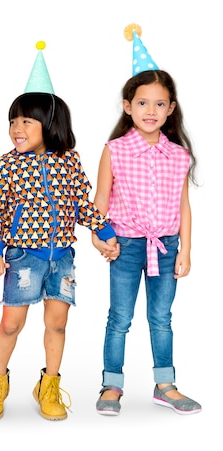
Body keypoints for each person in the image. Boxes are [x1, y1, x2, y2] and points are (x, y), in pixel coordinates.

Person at [0, 86, 119, 421]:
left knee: (57, 323)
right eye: (13, 121)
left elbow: (81, 205)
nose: (17, 128)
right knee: (11, 324)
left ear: (50, 123)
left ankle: (49, 386)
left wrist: (106, 232)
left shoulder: (69, 160)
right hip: (23, 257)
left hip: (62, 259)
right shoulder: (5, 165)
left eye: (26, 120)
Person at [93, 66, 201, 415]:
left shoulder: (178, 155)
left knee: (161, 317)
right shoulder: (115, 150)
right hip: (125, 244)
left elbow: (184, 205)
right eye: (142, 103)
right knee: (120, 317)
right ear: (128, 106)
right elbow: (100, 203)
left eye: (159, 104)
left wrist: (186, 249)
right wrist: (100, 239)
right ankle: (112, 385)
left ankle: (165, 384)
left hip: (166, 246)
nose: (150, 111)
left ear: (171, 109)